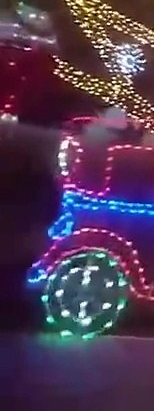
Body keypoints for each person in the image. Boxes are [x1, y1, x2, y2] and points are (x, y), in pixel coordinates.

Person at [0, 121, 62, 331]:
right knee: (14, 278)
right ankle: (13, 317)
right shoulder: (41, 177)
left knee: (11, 276)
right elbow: (51, 206)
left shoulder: (16, 174)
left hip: (17, 235)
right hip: (25, 238)